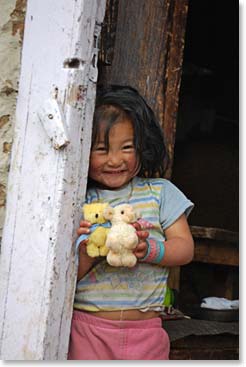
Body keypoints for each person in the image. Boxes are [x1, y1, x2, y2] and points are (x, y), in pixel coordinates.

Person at [68, 85, 194, 360]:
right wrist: (91, 252)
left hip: (146, 332)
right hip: (86, 330)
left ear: (143, 146)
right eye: (101, 149)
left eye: (126, 148)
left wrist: (148, 249)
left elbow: (184, 249)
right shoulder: (78, 200)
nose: (115, 160)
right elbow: (65, 277)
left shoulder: (161, 192)